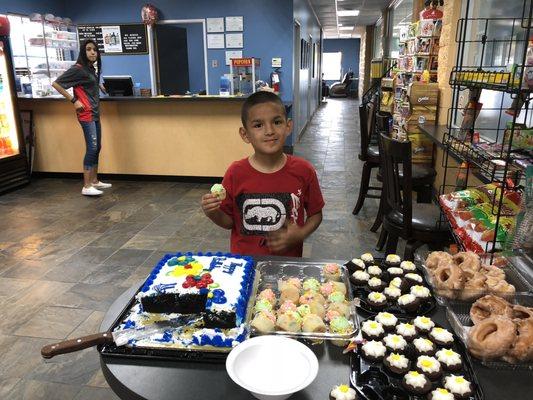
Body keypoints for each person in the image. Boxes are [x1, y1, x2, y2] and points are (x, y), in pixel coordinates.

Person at [201, 91, 324, 256]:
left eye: (277, 122)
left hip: (287, 266)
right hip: (245, 265)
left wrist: (300, 234)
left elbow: (316, 214)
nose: (269, 131)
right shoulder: (235, 173)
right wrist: (213, 213)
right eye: (258, 125)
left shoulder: (304, 171)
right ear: (245, 135)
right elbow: (229, 221)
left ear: (288, 126)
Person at [52, 39, 111, 196]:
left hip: (95, 113)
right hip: (86, 115)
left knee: (97, 147)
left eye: (95, 50)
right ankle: (86, 186)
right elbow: (56, 84)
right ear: (83, 52)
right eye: (89, 49)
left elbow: (87, 84)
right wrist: (74, 100)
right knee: (91, 148)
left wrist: (100, 86)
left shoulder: (90, 69)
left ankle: (94, 181)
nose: (92, 52)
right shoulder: (77, 69)